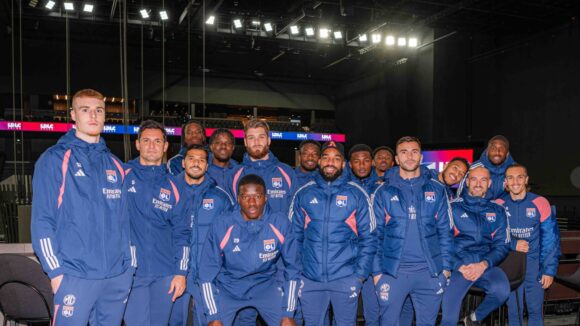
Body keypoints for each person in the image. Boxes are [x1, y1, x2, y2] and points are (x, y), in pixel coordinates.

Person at [31, 89, 133, 325]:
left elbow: (124, 223)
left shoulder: (116, 165)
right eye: (85, 110)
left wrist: (128, 268)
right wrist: (56, 273)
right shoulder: (54, 159)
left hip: (116, 278)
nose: (93, 116)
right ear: (73, 115)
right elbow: (42, 222)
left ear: (106, 116)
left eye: (99, 110)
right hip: (75, 276)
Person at [290, 141, 376, 325]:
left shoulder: (357, 194)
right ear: (320, 161)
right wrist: (298, 273)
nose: (331, 162)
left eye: (336, 159)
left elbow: (369, 239)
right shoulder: (303, 193)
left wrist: (359, 276)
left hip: (345, 278)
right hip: (310, 279)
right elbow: (293, 238)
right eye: (326, 158)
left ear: (343, 164)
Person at [198, 174, 300, 326]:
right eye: (246, 197)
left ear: (266, 198)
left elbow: (293, 268)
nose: (252, 203)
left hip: (265, 286)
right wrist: (213, 316)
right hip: (229, 288)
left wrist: (288, 312)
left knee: (288, 323)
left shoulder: (280, 223)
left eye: (257, 196)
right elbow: (206, 273)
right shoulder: (222, 224)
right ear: (239, 199)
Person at [372, 136, 453, 326]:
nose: (409, 156)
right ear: (397, 159)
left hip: (429, 274)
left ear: (421, 157)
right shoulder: (382, 192)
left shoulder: (438, 190)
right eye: (404, 152)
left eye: (414, 151)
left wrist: (446, 270)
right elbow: (374, 237)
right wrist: (377, 273)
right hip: (393, 274)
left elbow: (446, 233)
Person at [123, 120, 192, 326]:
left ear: (165, 146)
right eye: (146, 140)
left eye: (157, 141)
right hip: (131, 273)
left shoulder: (176, 185)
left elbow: (183, 234)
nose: (151, 146)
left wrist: (180, 273)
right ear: (137, 144)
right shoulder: (122, 175)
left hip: (165, 274)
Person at [399, 156, 469, 326]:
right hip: (407, 256)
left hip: (431, 260)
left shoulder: (450, 196)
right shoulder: (423, 177)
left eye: (461, 174)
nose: (456, 174)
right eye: (455, 168)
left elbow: (445, 231)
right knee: (405, 305)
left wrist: (445, 266)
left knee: (422, 308)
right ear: (446, 166)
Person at [170, 144, 235, 326]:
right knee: (174, 320)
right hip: (173, 271)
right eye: (191, 159)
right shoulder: (169, 190)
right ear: (183, 163)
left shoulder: (220, 196)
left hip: (209, 274)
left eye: (201, 160)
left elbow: (231, 234)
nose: (196, 163)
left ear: (207, 166)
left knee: (208, 320)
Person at [441, 166, 511, 326]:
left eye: (483, 180)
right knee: (449, 319)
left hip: (485, 265)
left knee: (502, 291)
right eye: (474, 179)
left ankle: (473, 319)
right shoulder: (452, 207)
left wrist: (483, 264)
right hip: (458, 268)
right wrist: (459, 266)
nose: (478, 183)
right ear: (467, 182)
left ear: (490, 183)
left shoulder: (499, 210)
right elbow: (441, 243)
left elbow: (503, 245)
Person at [497, 163, 560, 326]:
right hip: (510, 266)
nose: (515, 181)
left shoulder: (540, 202)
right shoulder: (498, 204)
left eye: (519, 177)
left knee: (534, 310)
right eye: (510, 178)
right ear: (506, 182)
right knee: (513, 311)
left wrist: (548, 270)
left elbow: (550, 239)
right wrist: (512, 244)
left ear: (526, 179)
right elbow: (492, 237)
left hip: (535, 266)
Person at [346, 143, 382, 326]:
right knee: (345, 312)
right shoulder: (342, 187)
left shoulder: (382, 188)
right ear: (349, 164)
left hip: (373, 257)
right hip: (347, 259)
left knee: (373, 311)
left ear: (373, 163)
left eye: (366, 160)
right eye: (356, 161)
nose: (361, 165)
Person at [229, 120, 296, 214]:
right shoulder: (234, 175)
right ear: (245, 142)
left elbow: (294, 213)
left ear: (269, 140)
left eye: (261, 137)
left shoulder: (287, 173)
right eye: (251, 138)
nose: (256, 142)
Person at [457, 135, 514, 199]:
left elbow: (520, 195)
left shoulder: (514, 170)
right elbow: (460, 194)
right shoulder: (474, 168)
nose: (497, 152)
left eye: (502, 149)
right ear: (487, 151)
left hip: (504, 208)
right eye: (493, 148)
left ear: (507, 153)